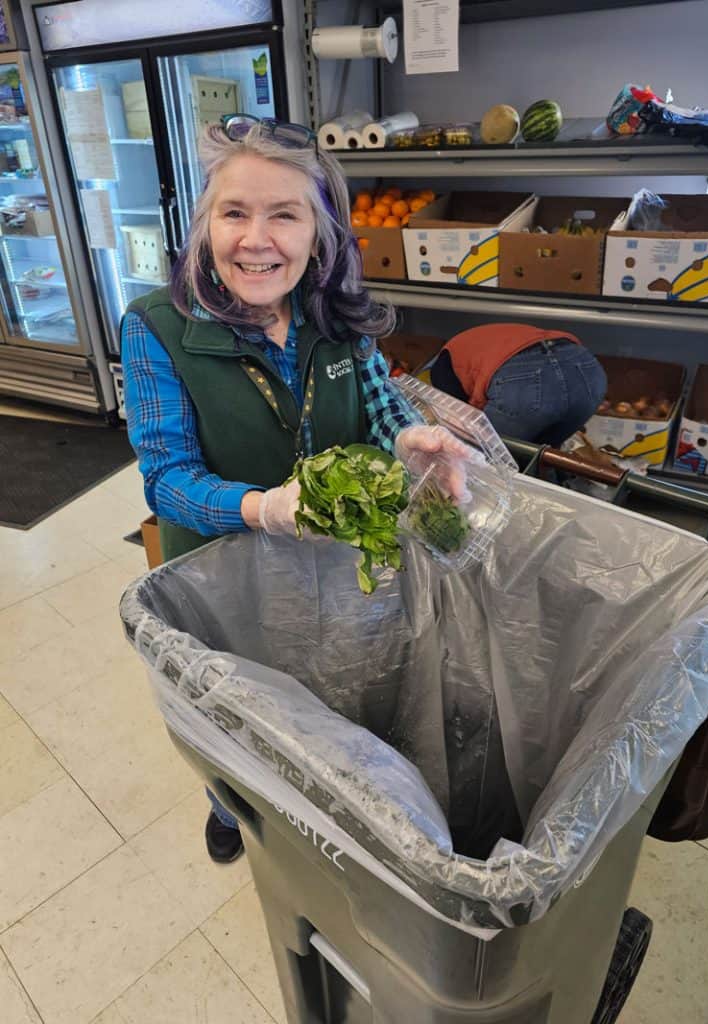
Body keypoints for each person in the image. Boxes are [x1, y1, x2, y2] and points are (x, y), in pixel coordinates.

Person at [121, 114, 477, 864]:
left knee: (333, 695)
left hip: (337, 570)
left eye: (285, 215)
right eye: (235, 212)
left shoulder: (333, 314)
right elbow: (167, 479)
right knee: (239, 719)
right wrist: (262, 508)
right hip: (227, 584)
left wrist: (407, 441)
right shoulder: (157, 327)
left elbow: (379, 407)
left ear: (320, 233)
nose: (257, 239)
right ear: (204, 224)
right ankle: (228, 805)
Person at [429, 322, 607, 448]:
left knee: (477, 458)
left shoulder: (442, 368)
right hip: (586, 371)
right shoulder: (469, 346)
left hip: (523, 379)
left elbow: (461, 419)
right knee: (543, 455)